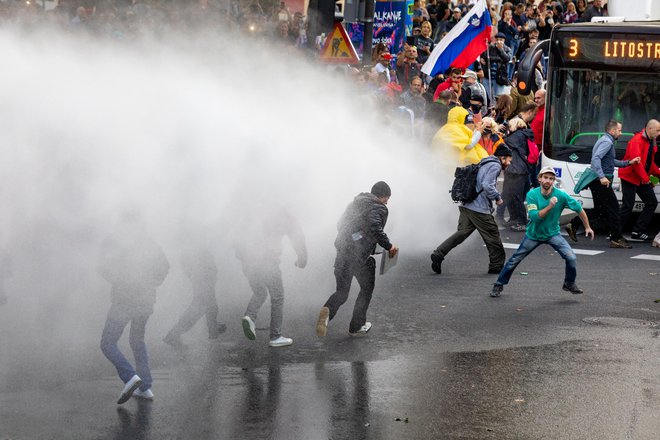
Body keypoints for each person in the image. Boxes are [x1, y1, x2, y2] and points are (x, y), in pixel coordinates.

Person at [98, 210, 170, 404]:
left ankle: (130, 377)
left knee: (107, 343)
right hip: (146, 301)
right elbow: (165, 267)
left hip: (123, 300)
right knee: (137, 340)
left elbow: (102, 266)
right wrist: (152, 284)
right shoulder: (149, 243)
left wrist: (118, 280)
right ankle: (145, 387)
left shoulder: (114, 242)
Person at [491, 167, 595, 298]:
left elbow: (579, 208)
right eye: (546, 177)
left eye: (551, 179)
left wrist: (587, 227)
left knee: (571, 257)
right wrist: (550, 206)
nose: (548, 181)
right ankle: (499, 284)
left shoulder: (560, 195)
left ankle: (569, 283)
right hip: (533, 235)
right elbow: (534, 217)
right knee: (514, 260)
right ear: (539, 178)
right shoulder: (532, 195)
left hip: (553, 234)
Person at [316, 182, 398, 337]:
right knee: (366, 289)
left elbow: (340, 224)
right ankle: (357, 325)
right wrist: (389, 246)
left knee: (342, 292)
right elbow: (375, 228)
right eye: (387, 198)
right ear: (382, 196)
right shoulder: (378, 207)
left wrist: (356, 236)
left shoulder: (354, 203)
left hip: (342, 253)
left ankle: (327, 313)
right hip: (359, 257)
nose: (387, 202)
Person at [430, 145, 513, 275]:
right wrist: (497, 197)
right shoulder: (495, 166)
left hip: (467, 204)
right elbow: (487, 184)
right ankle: (496, 267)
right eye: (508, 160)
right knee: (493, 236)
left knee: (461, 234)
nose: (509, 163)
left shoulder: (485, 161)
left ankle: (438, 253)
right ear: (502, 157)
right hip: (479, 209)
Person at [235, 203, 307, 347]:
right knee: (277, 296)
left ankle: (250, 317)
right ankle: (276, 336)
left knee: (260, 291)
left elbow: (237, 237)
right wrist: (302, 258)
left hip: (247, 262)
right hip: (267, 261)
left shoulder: (254, 211)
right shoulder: (283, 214)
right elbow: (297, 236)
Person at [584, 120, 640, 248]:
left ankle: (574, 224)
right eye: (619, 130)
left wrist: (627, 163)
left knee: (600, 210)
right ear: (612, 130)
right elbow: (596, 159)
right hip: (601, 181)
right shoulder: (607, 142)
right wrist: (602, 177)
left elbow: (609, 161)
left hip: (597, 180)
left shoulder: (604, 139)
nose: (620, 133)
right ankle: (616, 239)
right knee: (614, 209)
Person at [163, 242, 226, 349]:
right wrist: (199, 276)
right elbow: (191, 263)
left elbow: (187, 264)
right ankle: (174, 334)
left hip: (204, 278)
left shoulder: (195, 244)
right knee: (199, 309)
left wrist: (194, 275)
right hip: (203, 279)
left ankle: (213, 332)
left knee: (207, 307)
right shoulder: (195, 244)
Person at [618, 119, 660, 242]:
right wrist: (646, 179)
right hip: (630, 177)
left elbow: (650, 163)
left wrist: (658, 173)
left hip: (641, 177)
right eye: (657, 131)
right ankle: (615, 233)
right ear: (649, 129)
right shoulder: (636, 141)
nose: (659, 134)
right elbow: (636, 163)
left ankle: (637, 231)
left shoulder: (651, 141)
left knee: (652, 203)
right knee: (628, 206)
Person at [503, 117, 537, 231]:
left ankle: (522, 221)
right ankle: (514, 218)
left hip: (516, 169)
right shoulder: (526, 134)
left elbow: (507, 142)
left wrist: (504, 134)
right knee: (511, 196)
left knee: (515, 197)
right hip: (520, 169)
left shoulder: (517, 135)